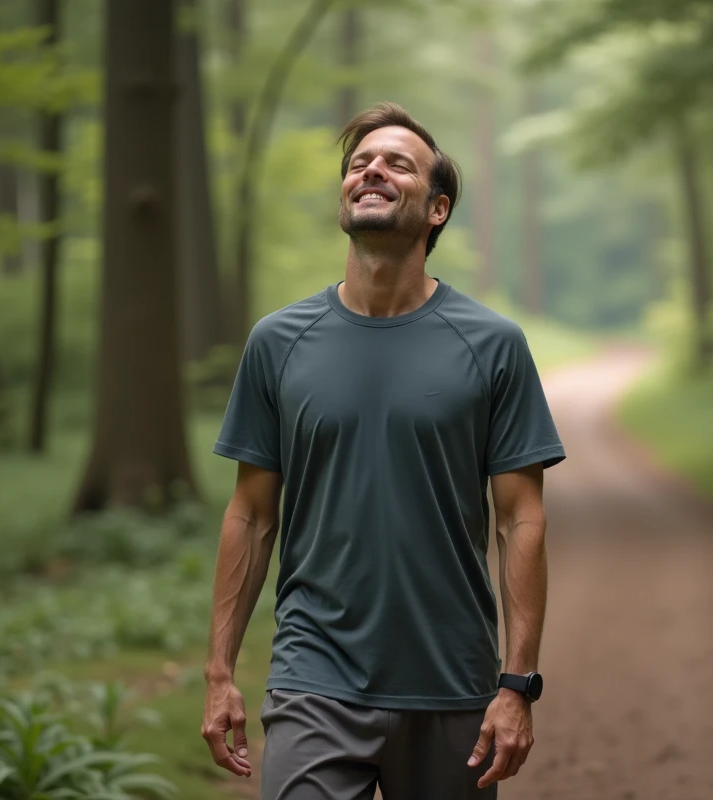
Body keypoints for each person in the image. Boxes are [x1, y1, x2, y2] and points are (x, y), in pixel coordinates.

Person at [200, 101, 565, 800]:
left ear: (437, 208)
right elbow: (250, 515)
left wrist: (517, 685)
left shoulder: (492, 346)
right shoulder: (278, 342)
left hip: (452, 685)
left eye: (399, 163)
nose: (372, 169)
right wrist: (220, 673)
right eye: (360, 162)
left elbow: (521, 520)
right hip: (314, 679)